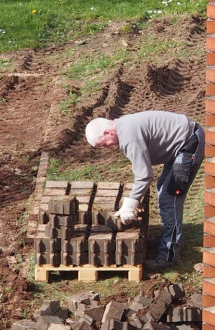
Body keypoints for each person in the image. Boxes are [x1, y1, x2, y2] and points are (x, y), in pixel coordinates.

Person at [85, 110, 204, 272]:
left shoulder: (129, 138)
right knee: (163, 188)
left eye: (103, 143)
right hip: (180, 143)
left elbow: (145, 176)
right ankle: (166, 239)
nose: (106, 147)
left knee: (170, 199)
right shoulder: (122, 128)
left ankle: (168, 255)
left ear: (107, 132)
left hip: (188, 143)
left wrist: (130, 204)